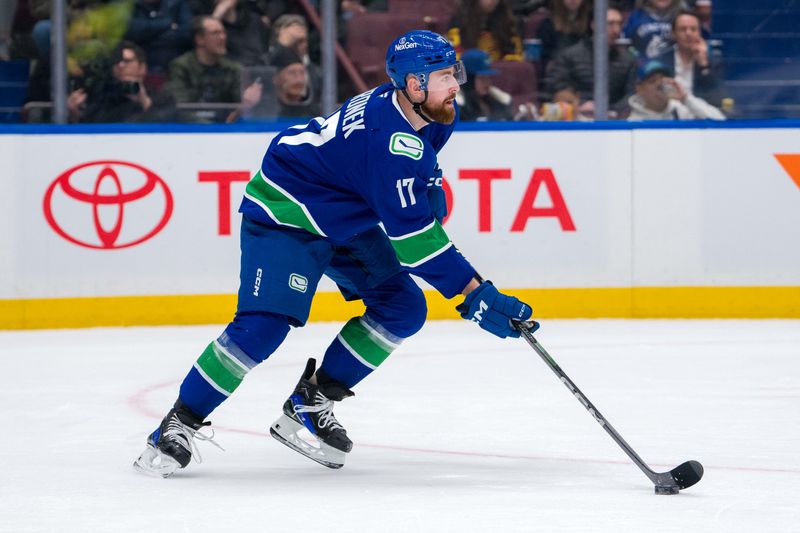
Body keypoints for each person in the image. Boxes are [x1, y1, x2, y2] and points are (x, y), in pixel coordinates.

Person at [133, 29, 535, 477]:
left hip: (341, 212)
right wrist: (475, 294)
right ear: (414, 84)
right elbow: (416, 241)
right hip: (287, 208)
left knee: (401, 308)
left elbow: (422, 161)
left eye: (454, 72)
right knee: (262, 328)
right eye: (445, 76)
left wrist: (430, 180)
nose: (456, 84)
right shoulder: (387, 142)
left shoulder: (434, 112)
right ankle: (177, 422)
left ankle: (309, 402)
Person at [166, 15, 261, 123]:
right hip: (190, 131)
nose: (222, 37)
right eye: (215, 33)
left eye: (223, 32)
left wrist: (247, 102)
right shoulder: (180, 67)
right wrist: (210, 127)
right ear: (199, 39)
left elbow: (239, 107)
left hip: (226, 130)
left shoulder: (234, 69)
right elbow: (181, 107)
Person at [544, 6, 636, 117]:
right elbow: (555, 87)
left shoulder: (628, 60)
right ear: (594, 25)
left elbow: (631, 94)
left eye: (619, 24)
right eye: (610, 24)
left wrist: (612, 111)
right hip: (576, 117)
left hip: (614, 119)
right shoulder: (569, 56)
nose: (616, 30)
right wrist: (580, 104)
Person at [67, 41, 165, 122]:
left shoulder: (161, 98)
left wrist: (144, 101)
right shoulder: (102, 98)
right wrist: (74, 114)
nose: (121, 65)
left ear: (142, 68)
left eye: (127, 61)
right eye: (116, 61)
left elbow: (168, 129)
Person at [653, 9, 724, 108]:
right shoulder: (661, 60)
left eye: (693, 29)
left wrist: (703, 64)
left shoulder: (713, 61)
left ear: (700, 33)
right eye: (683, 29)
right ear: (673, 34)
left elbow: (716, 98)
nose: (688, 33)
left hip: (700, 116)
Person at [627, 59, 725, 120]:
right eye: (652, 81)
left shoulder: (681, 110)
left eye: (663, 80)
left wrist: (685, 99)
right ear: (639, 89)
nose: (659, 85)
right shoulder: (634, 121)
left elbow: (720, 121)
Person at [125, 0, 193, 77]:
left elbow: (187, 32)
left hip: (174, 64)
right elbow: (132, 31)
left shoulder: (177, 3)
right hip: (143, 65)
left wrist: (149, 36)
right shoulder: (129, 5)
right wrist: (168, 24)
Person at [447, 0, 524, 61]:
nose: (493, 1)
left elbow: (516, 53)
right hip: (471, 69)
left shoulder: (507, 21)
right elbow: (455, 54)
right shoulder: (459, 21)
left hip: (499, 70)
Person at [456, 48, 513, 122]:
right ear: (469, 80)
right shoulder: (458, 108)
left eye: (488, 77)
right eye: (482, 78)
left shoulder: (499, 101)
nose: (487, 83)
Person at [536, 0, 591, 72]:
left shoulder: (591, 23)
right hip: (559, 71)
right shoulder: (548, 24)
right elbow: (543, 55)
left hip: (585, 71)